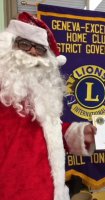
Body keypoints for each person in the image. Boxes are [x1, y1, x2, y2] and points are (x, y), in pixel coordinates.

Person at [0, 12, 96, 200]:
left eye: (40, 48)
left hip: (50, 192)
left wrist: (78, 133)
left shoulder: (42, 92)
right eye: (24, 44)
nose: (33, 52)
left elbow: (48, 135)